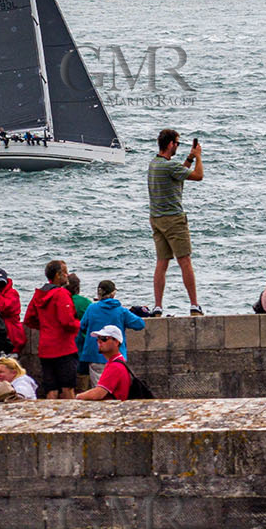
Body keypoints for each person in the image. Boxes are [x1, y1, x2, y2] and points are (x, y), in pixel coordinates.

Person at [150, 128, 204, 316]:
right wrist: (198, 157)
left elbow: (179, 172)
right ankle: (194, 304)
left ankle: (157, 306)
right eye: (177, 143)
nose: (177, 147)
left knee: (162, 263)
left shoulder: (155, 164)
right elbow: (198, 176)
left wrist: (189, 157)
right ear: (171, 144)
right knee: (185, 261)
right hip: (174, 219)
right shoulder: (169, 166)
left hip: (156, 219)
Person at [25, 259, 81, 399]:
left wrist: (45, 326)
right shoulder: (61, 294)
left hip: (45, 348)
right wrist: (80, 325)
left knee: (51, 389)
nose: (67, 275)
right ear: (58, 275)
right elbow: (67, 322)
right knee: (68, 387)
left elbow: (28, 319)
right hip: (64, 347)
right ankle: (71, 417)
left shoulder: (39, 294)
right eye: (65, 272)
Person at [78, 281, 147, 385]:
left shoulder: (91, 308)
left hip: (96, 355)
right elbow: (140, 324)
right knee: (116, 389)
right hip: (116, 356)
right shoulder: (121, 311)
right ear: (113, 294)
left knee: (99, 388)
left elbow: (82, 326)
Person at [75, 327, 133, 401]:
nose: (99, 341)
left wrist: (77, 397)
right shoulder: (118, 362)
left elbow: (98, 393)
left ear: (116, 342)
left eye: (104, 338)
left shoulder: (115, 366)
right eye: (98, 339)